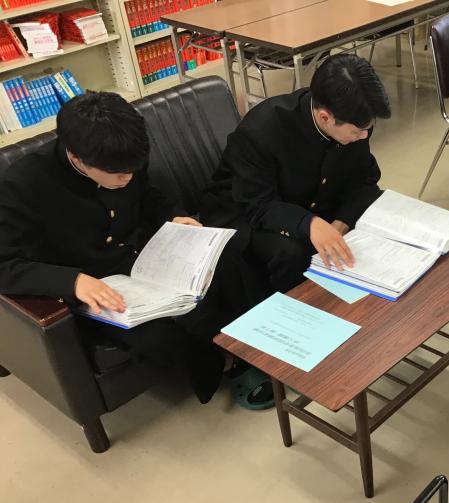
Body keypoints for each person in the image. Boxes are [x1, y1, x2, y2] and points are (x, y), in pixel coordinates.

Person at [0, 91, 272, 410]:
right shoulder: (23, 185)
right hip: (94, 285)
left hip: (142, 257)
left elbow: (147, 196)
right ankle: (227, 365)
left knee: (227, 262)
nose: (126, 178)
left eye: (132, 170)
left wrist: (173, 217)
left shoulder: (125, 156)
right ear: (76, 157)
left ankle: (255, 343)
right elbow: (4, 264)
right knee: (158, 335)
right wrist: (72, 281)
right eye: (117, 174)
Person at [200, 53, 391, 293]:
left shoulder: (355, 122)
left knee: (374, 216)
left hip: (309, 199)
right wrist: (309, 223)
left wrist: (341, 224)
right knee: (292, 252)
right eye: (357, 132)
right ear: (325, 117)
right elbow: (258, 203)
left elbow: (363, 180)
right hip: (246, 211)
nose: (364, 136)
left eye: (368, 129)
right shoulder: (262, 131)